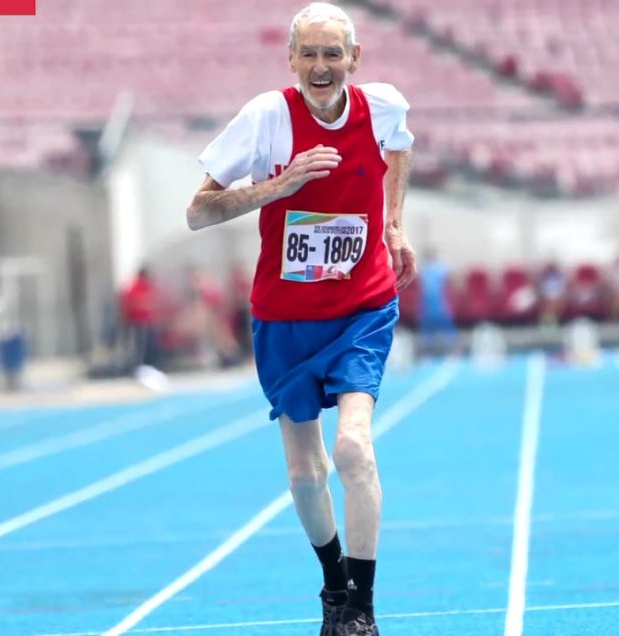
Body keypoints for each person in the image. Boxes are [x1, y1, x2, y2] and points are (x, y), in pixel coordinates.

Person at [187, 4, 416, 635]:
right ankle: (334, 587)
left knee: (353, 449)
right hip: (286, 318)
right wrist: (275, 187)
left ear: (354, 59)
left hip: (362, 306)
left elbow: (399, 149)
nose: (321, 66)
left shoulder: (383, 106)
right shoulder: (266, 119)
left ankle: (363, 613)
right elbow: (197, 213)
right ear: (292, 60)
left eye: (332, 54)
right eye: (309, 54)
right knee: (304, 472)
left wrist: (393, 222)